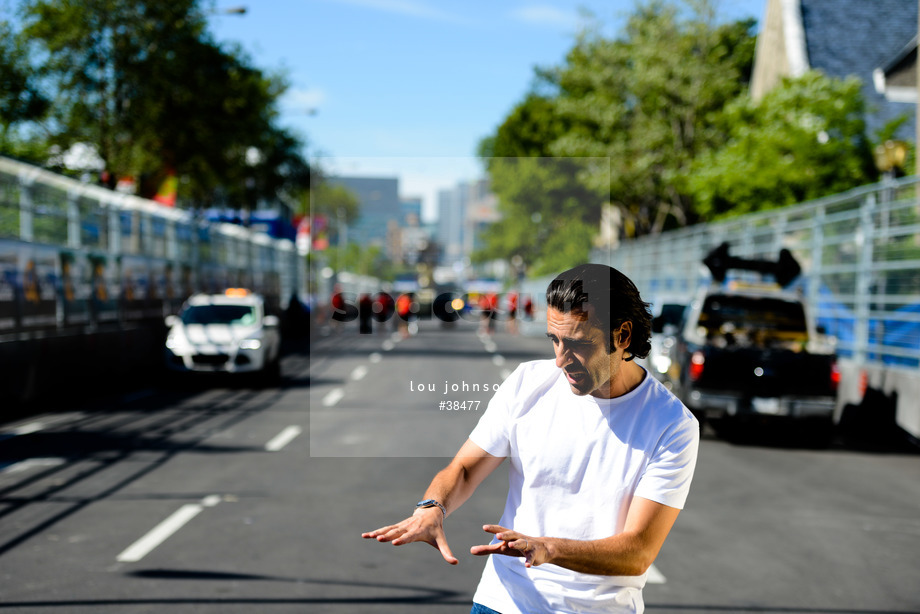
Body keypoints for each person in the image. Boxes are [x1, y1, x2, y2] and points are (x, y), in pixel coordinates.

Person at [362, 263, 699, 614]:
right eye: (555, 340)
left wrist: (548, 549)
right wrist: (432, 507)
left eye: (578, 344)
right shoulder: (527, 382)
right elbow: (464, 469)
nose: (560, 360)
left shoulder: (672, 424)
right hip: (503, 600)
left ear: (622, 335)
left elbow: (638, 553)